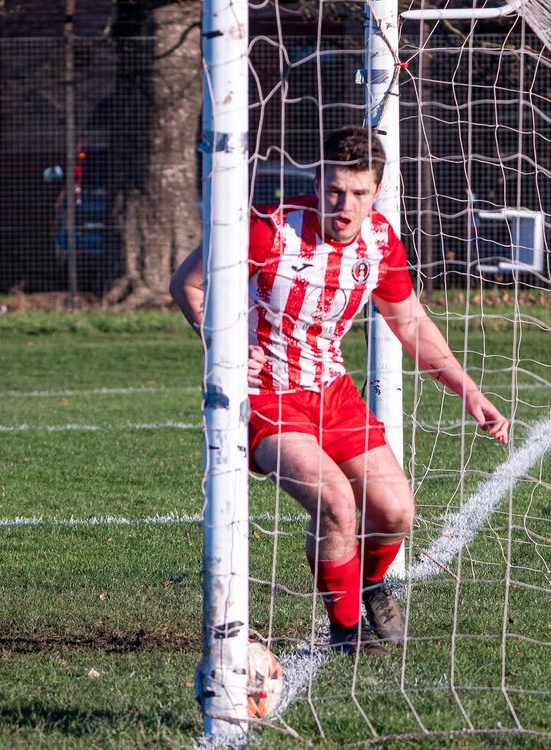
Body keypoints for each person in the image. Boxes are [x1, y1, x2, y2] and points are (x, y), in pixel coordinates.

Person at [170, 126, 509, 656]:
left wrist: (468, 390)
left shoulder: (381, 241)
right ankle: (346, 632)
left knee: (396, 512)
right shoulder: (268, 228)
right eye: (333, 190)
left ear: (376, 191)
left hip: (333, 391)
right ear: (316, 182)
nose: (344, 205)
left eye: (358, 192)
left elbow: (411, 324)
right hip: (267, 394)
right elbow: (187, 283)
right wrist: (223, 343)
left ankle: (370, 584)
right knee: (335, 501)